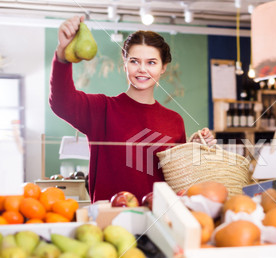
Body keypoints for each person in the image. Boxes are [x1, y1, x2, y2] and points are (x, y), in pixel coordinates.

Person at [50, 16, 216, 203]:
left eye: (151, 62)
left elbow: (177, 179)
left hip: (158, 222)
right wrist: (63, 55)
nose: (142, 69)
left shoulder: (174, 121)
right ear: (125, 63)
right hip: (111, 222)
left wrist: (191, 150)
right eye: (134, 61)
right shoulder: (102, 110)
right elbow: (61, 102)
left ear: (163, 67)